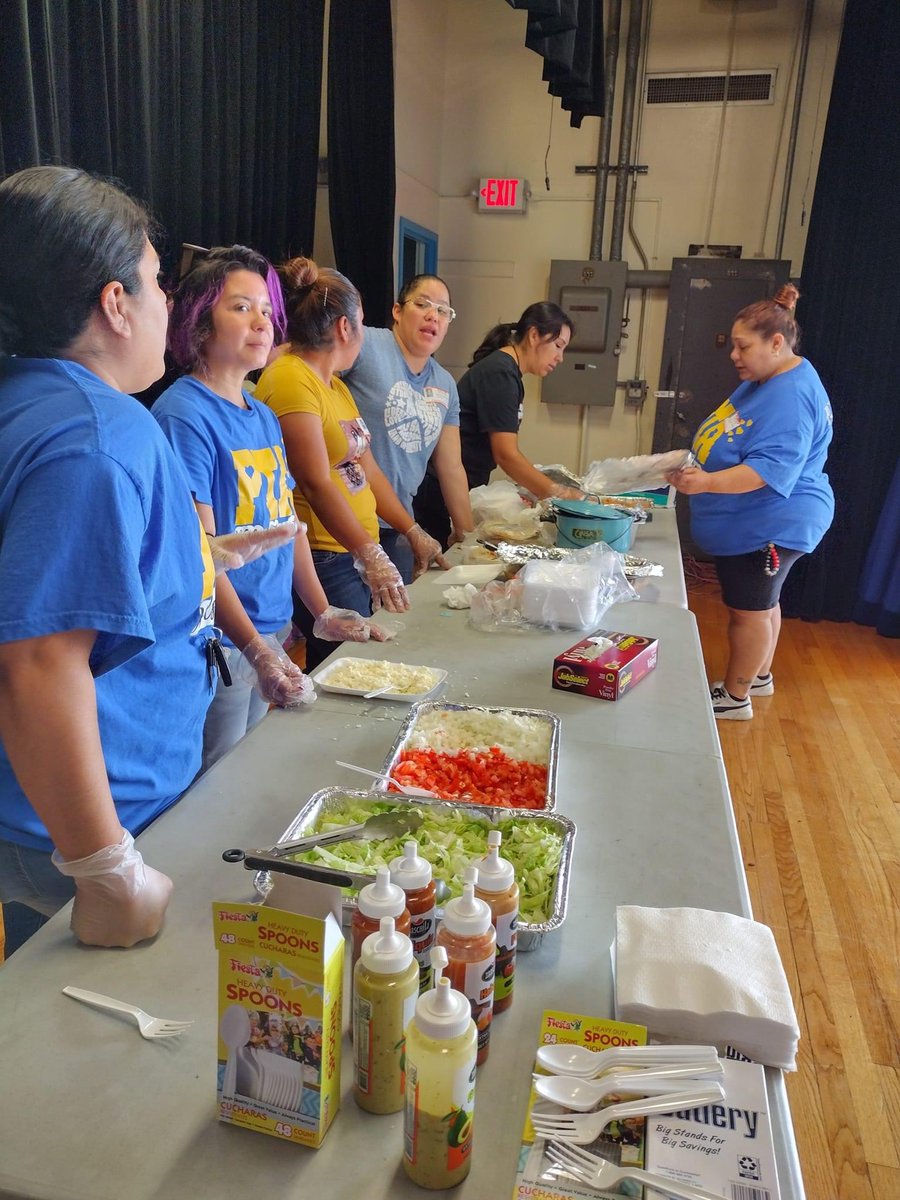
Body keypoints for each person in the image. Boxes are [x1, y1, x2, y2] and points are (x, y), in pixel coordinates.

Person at [0, 166, 218, 952]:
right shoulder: (97, 436)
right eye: (158, 282)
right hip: (75, 837)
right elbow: (37, 661)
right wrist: (106, 870)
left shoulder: (33, 401)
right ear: (114, 302)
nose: (169, 306)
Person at [154, 246, 385, 769]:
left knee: (248, 765)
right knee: (215, 778)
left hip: (273, 626)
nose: (261, 321)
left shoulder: (259, 413)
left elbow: (289, 525)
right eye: (240, 308)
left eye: (265, 309)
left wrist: (320, 610)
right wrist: (256, 647)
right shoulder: (184, 415)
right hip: (227, 638)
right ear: (198, 321)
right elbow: (203, 558)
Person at [255, 258, 444, 671]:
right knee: (347, 667)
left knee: (370, 658)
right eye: (361, 321)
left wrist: (411, 531)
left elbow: (368, 469)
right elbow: (316, 480)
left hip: (353, 550)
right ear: (345, 327)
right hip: (327, 555)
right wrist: (368, 554)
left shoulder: (335, 384)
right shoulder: (290, 378)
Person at [666, 284, 834, 721]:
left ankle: (735, 696)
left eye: (743, 346)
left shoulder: (791, 396)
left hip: (771, 526)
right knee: (763, 604)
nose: (734, 355)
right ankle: (758, 677)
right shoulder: (774, 374)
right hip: (756, 523)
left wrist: (703, 484)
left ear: (776, 344)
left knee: (750, 611)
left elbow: (765, 472)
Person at [413, 301, 586, 547]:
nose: (560, 357)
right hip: (440, 492)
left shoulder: (509, 373)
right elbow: (506, 454)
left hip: (460, 487)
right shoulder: (500, 373)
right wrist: (555, 492)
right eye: (558, 346)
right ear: (534, 335)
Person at [342, 273, 472, 578]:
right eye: (422, 304)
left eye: (443, 310)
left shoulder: (445, 385)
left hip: (399, 526)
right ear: (397, 311)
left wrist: (468, 536)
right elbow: (311, 373)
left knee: (394, 620)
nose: (433, 316)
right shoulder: (366, 343)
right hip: (345, 520)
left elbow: (451, 467)